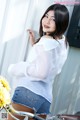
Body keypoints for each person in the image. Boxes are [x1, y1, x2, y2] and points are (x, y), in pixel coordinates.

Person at [7, 4, 69, 120]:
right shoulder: (63, 43)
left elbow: (42, 72)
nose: (47, 21)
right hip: (45, 99)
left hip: (27, 92)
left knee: (6, 117)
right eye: (46, 16)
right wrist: (35, 44)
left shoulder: (45, 41)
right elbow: (49, 61)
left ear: (61, 22)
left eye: (53, 19)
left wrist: (18, 68)